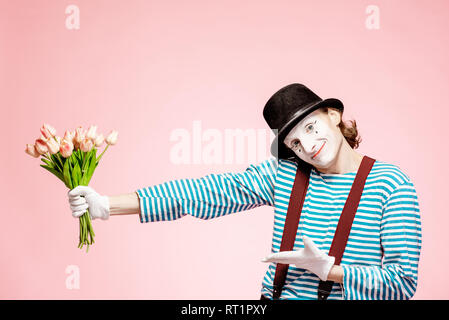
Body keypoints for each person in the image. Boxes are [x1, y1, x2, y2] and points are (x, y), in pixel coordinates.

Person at [67, 83, 422, 300]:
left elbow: (403, 283)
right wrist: (106, 206)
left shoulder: (391, 185)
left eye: (312, 127)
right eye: (295, 141)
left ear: (334, 115)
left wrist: (330, 271)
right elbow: (204, 193)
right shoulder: (286, 175)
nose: (308, 146)